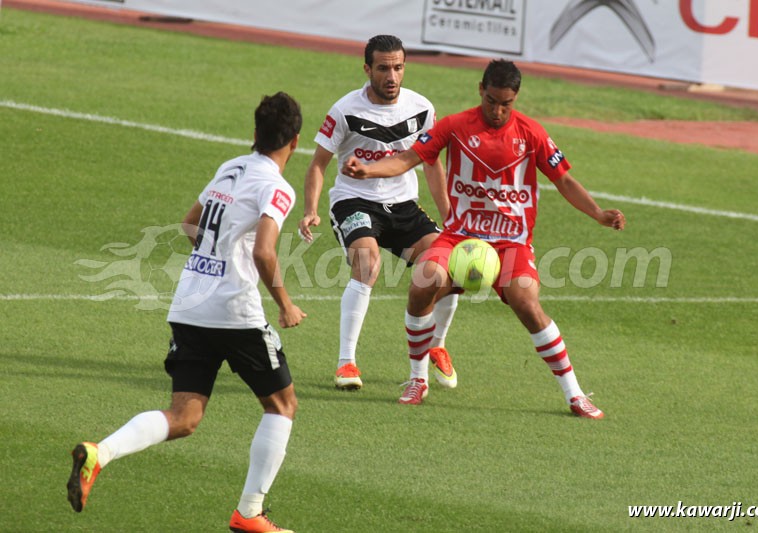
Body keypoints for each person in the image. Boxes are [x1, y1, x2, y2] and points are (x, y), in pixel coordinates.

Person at [67, 92, 306, 533]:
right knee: (282, 405)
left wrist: (215, 261)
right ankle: (249, 512)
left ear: (254, 134)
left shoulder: (230, 167)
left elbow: (189, 223)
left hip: (191, 304)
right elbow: (265, 252)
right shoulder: (278, 187)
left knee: (184, 417)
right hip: (235, 312)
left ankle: (102, 452)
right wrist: (285, 304)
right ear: (294, 142)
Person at [343, 60, 626, 416]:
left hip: (511, 243)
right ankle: (418, 379)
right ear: (481, 89)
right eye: (491, 101)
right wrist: (368, 170)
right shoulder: (454, 126)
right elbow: (407, 159)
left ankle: (575, 394)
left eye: (506, 103)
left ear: (516, 98)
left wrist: (598, 213)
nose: (497, 110)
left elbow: (564, 180)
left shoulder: (532, 134)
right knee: (421, 285)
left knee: (528, 305)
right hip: (459, 237)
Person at [298, 34, 459, 396]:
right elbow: (318, 164)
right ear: (367, 69)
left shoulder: (422, 109)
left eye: (398, 68)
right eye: (384, 68)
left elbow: (432, 164)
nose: (392, 76)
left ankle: (437, 344)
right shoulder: (345, 110)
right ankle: (346, 362)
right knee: (367, 265)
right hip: (355, 202)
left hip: (403, 206)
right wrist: (310, 210)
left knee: (448, 266)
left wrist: (450, 217)